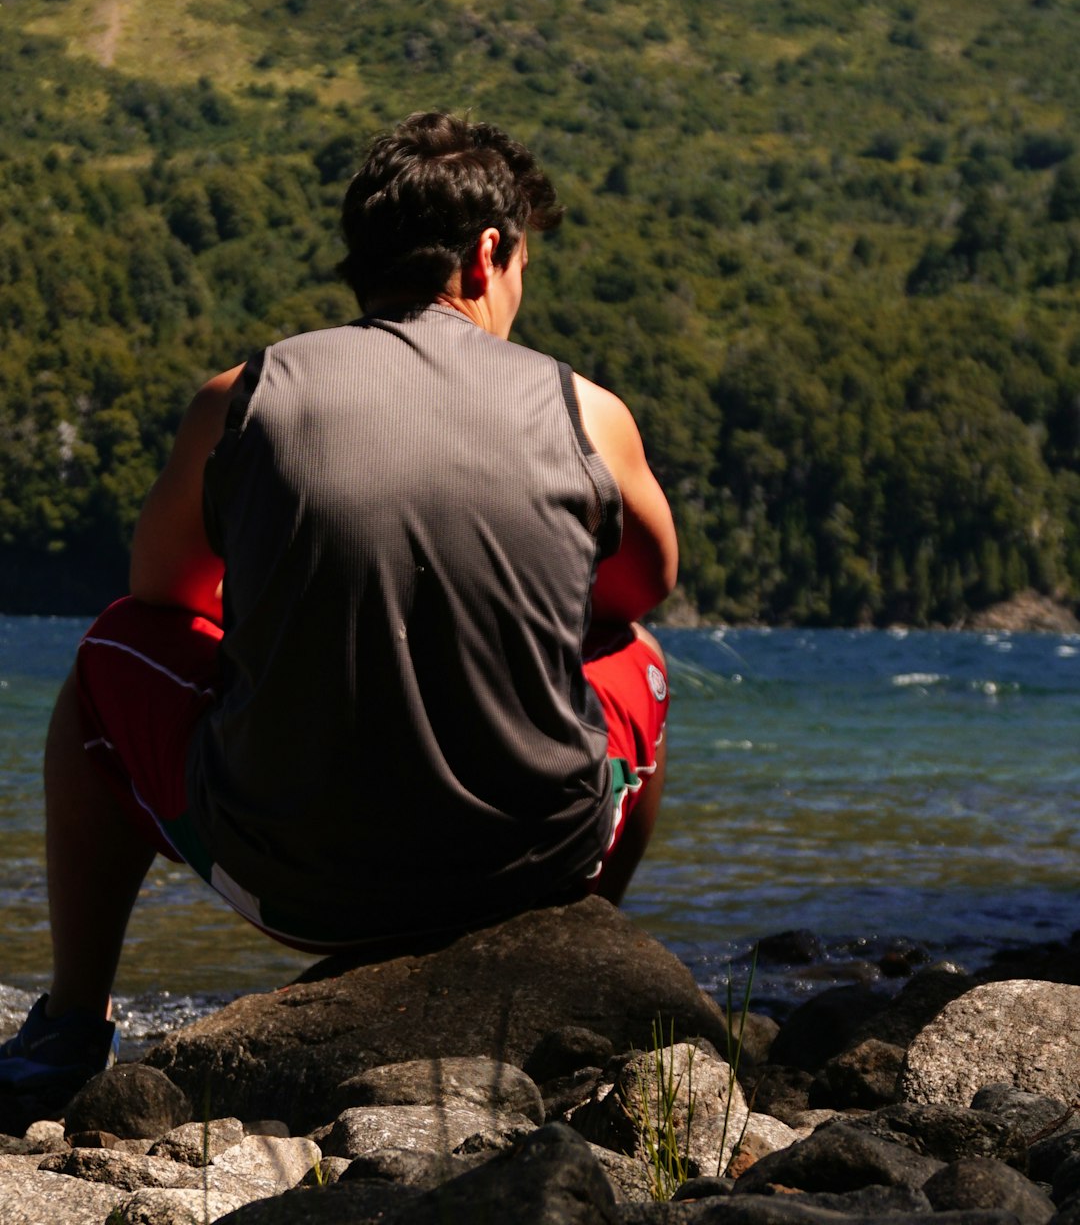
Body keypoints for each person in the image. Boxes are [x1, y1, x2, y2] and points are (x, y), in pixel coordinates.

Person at [0, 112, 677, 1108]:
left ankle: (73, 1021)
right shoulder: (588, 411)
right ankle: (565, 956)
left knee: (111, 655)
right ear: (487, 256)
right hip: (531, 869)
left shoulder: (243, 396)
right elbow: (632, 593)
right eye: (524, 264)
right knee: (637, 657)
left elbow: (160, 594)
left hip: (294, 880)